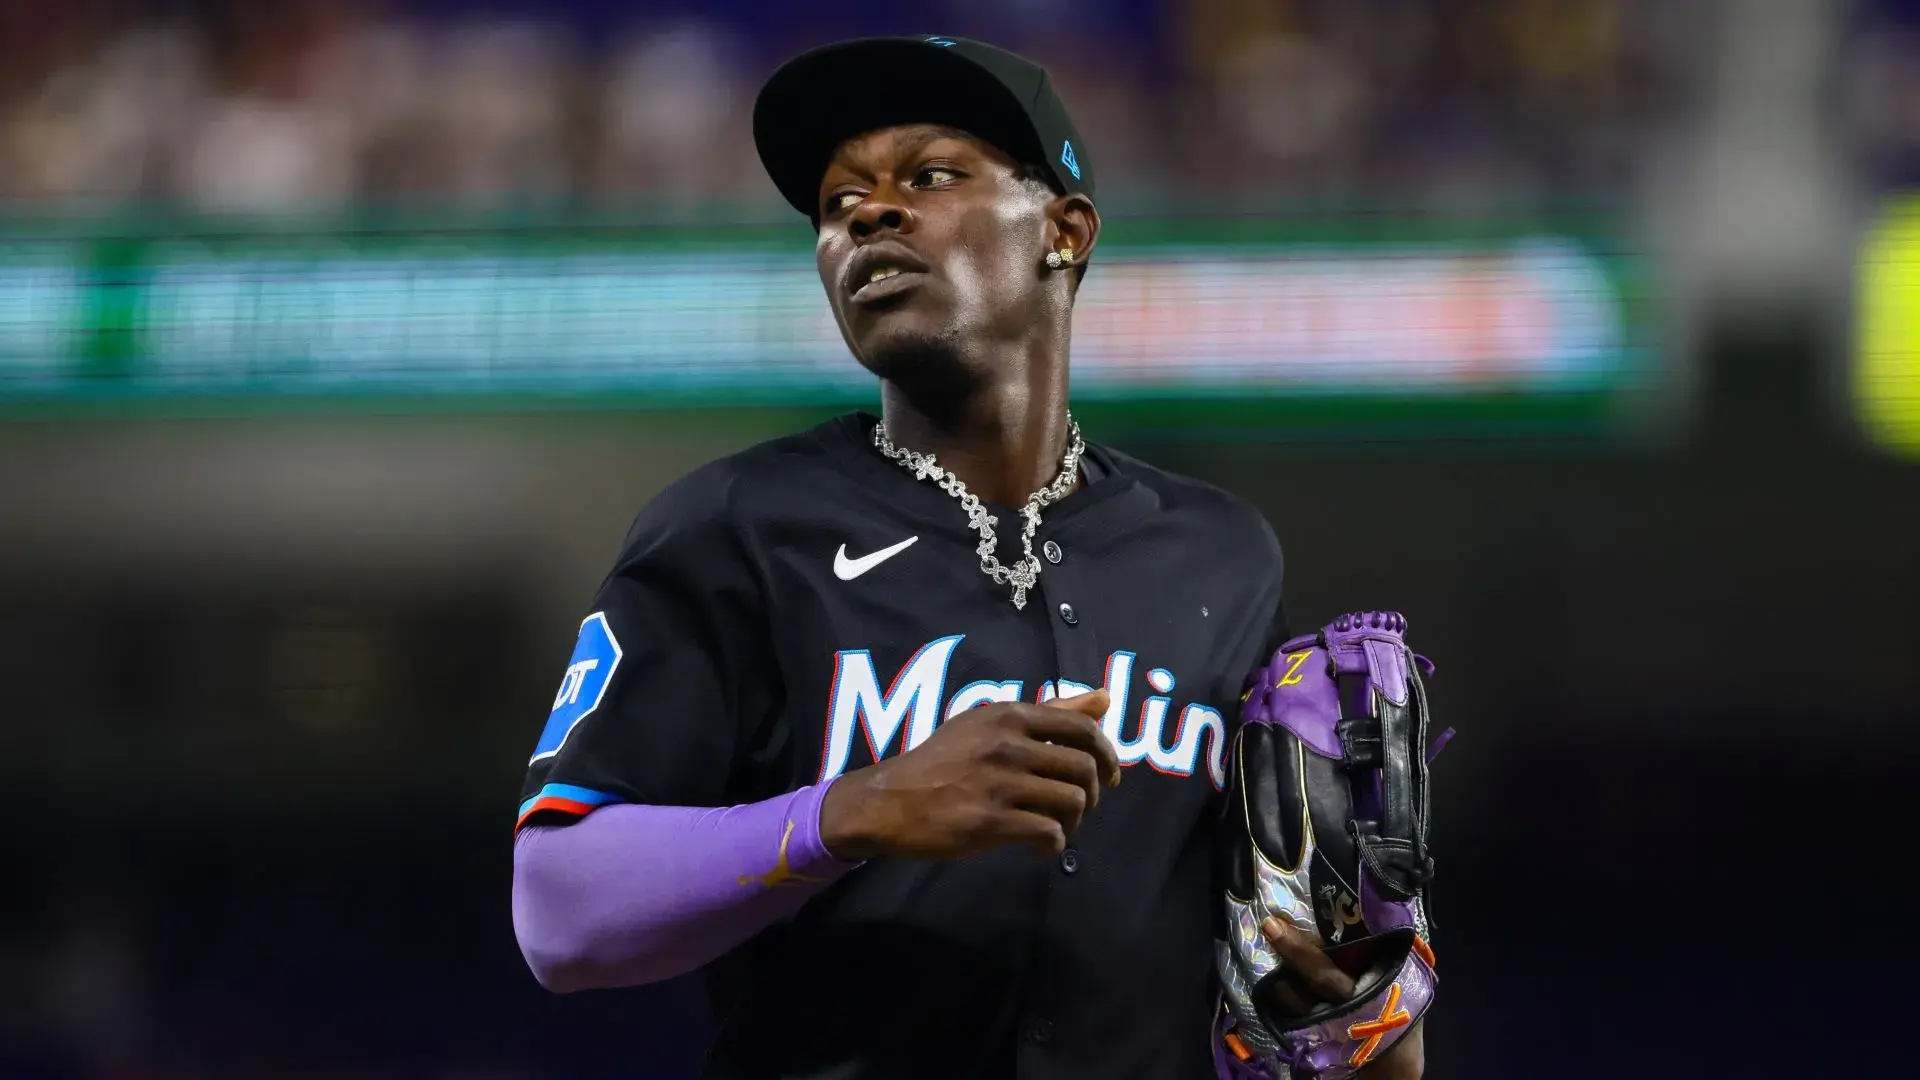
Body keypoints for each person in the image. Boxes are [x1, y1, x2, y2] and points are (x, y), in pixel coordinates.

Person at [511, 35, 1424, 1080]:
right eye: (835, 201)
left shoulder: (1220, 556)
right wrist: (848, 813)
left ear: (1064, 232)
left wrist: (1360, 987)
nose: (866, 213)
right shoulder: (738, 525)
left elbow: (1345, 1039)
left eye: (930, 175)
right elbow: (557, 909)